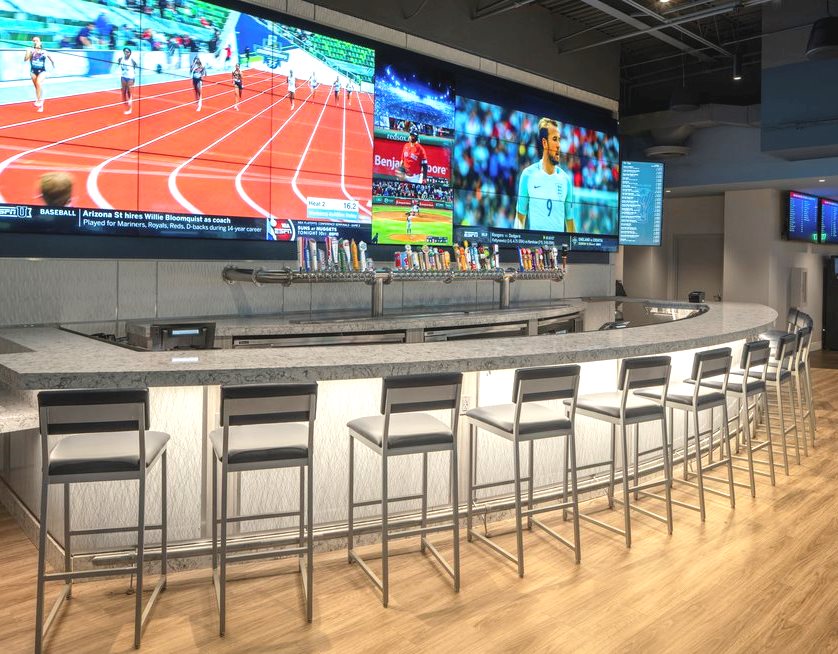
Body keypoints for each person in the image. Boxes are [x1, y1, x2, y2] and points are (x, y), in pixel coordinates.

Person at [515, 117, 575, 232]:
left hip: (559, 244)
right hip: (535, 244)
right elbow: (520, 218)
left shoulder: (566, 179)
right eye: (554, 139)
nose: (559, 145)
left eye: (559, 140)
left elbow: (570, 224)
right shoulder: (528, 175)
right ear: (544, 143)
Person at [24, 37, 54, 113]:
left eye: (36, 40)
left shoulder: (44, 51)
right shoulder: (30, 50)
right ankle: (40, 102)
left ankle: (39, 100)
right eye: (34, 41)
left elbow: (51, 59)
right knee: (37, 87)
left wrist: (53, 64)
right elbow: (25, 59)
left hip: (42, 71)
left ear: (40, 42)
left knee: (38, 83)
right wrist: (30, 52)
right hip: (33, 71)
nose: (35, 42)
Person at [116, 48, 138, 114]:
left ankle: (129, 108)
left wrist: (133, 71)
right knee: (123, 92)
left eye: (128, 52)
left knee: (129, 91)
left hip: (130, 77)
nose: (126, 53)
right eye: (125, 51)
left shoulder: (132, 60)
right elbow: (118, 64)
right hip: (123, 76)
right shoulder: (120, 59)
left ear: (130, 53)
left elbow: (136, 66)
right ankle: (126, 105)